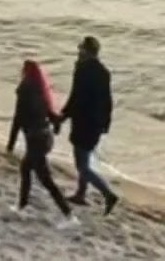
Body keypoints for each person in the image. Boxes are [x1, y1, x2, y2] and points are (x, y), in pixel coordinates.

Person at [6, 59, 77, 228]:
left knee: (46, 180)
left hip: (36, 141)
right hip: (45, 139)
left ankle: (69, 216)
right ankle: (21, 206)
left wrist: (11, 143)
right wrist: (59, 123)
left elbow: (18, 118)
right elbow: (53, 117)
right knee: (26, 169)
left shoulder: (24, 90)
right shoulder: (41, 91)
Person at [56, 35, 119, 214]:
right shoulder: (104, 72)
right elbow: (108, 101)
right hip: (97, 124)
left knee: (82, 165)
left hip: (84, 122)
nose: (78, 52)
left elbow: (76, 97)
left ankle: (108, 194)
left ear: (86, 51)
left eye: (81, 49)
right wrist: (106, 123)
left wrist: (63, 116)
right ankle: (81, 194)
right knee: (85, 159)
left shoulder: (82, 70)